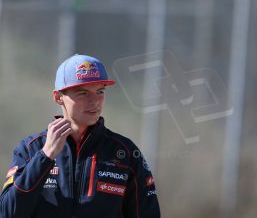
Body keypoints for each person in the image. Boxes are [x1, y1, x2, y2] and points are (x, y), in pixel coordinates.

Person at [0, 54, 160, 218]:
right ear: (58, 97)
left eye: (100, 91)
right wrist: (45, 156)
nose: (95, 101)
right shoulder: (31, 149)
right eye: (83, 93)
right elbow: (8, 213)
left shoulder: (126, 152)